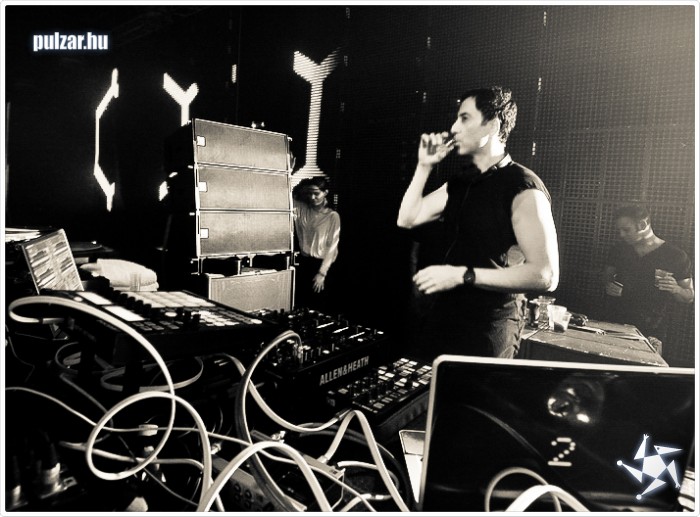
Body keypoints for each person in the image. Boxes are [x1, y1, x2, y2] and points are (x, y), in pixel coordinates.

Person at [397, 86, 559, 361]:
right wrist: (424, 166)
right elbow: (407, 218)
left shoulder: (523, 186)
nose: (454, 128)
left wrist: (464, 275)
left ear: (493, 125)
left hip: (489, 327)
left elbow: (546, 275)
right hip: (446, 315)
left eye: (464, 118)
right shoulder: (462, 183)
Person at [603, 205, 694, 349]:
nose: (621, 235)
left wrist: (676, 288)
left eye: (626, 230)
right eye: (619, 230)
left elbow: (689, 297)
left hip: (652, 330)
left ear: (643, 224)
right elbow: (607, 277)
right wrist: (609, 285)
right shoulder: (618, 250)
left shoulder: (676, 256)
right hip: (614, 323)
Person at [292, 176, 341, 312]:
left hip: (323, 266)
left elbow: (332, 248)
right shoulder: (302, 209)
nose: (312, 197)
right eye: (309, 193)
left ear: (325, 193)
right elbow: (289, 196)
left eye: (316, 193)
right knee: (301, 305)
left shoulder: (332, 216)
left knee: (318, 307)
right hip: (304, 263)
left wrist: (322, 273)